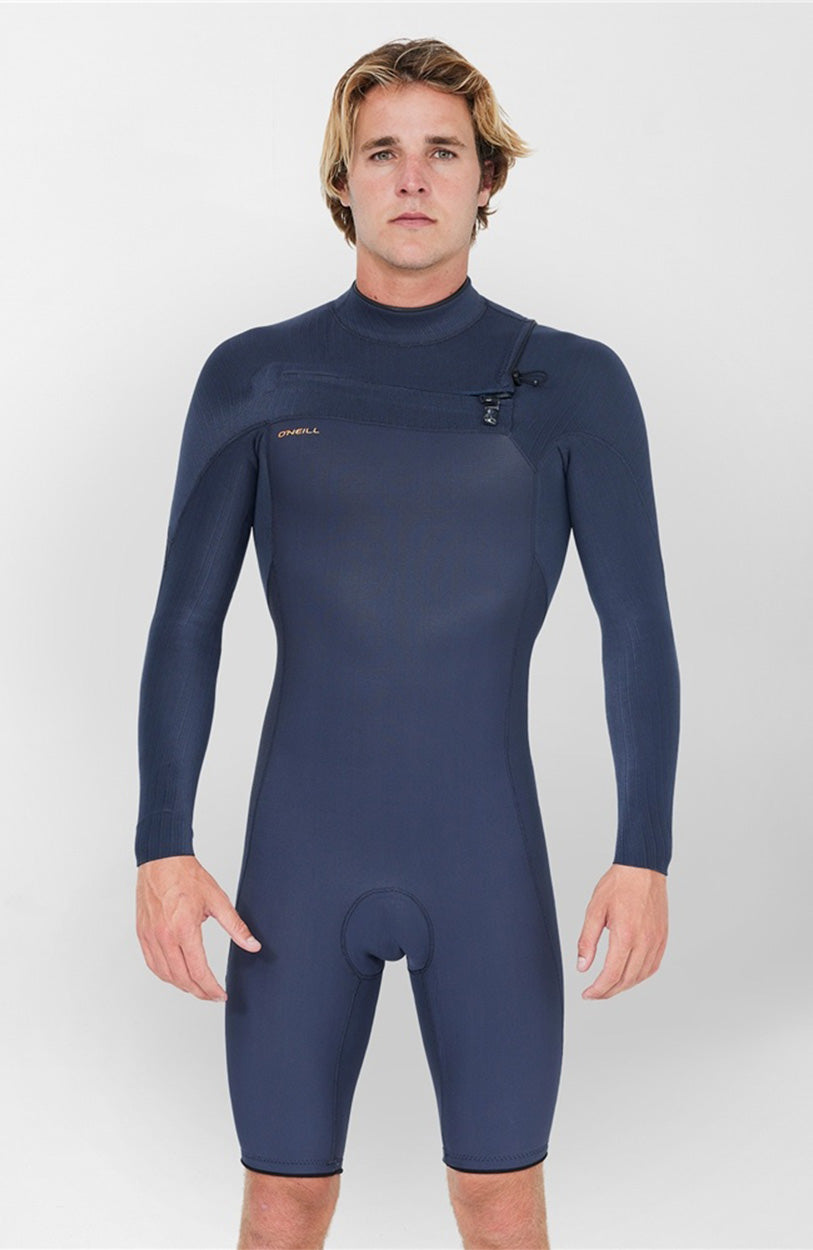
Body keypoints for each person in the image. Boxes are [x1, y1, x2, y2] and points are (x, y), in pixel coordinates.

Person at [134, 36, 680, 1250]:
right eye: (382, 152)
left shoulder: (573, 382)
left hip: (484, 860)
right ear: (343, 181)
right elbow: (185, 619)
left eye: (443, 151)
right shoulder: (255, 376)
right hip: (297, 863)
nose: (414, 177)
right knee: (282, 1202)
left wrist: (643, 849)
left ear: (488, 178)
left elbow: (637, 624)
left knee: (500, 1199)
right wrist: (161, 841)